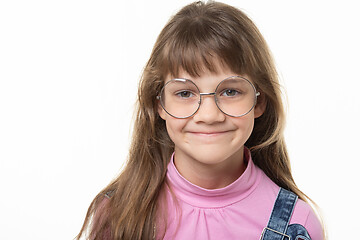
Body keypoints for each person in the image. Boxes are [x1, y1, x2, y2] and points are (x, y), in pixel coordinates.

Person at [76, 1, 325, 239]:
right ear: (159, 104)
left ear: (259, 102)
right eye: (185, 93)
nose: (208, 115)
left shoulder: (296, 226)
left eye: (230, 91)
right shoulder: (117, 215)